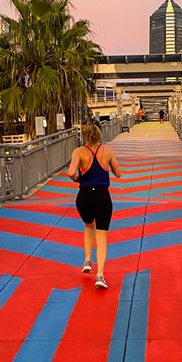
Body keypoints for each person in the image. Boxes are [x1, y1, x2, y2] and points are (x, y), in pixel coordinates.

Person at [68, 122, 121, 289]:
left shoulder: (78, 152)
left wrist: (77, 178)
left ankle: (87, 261)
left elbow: (70, 172)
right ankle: (100, 275)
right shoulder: (108, 151)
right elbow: (118, 173)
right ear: (99, 134)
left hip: (84, 196)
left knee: (88, 226)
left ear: (84, 135)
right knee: (102, 235)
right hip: (102, 195)